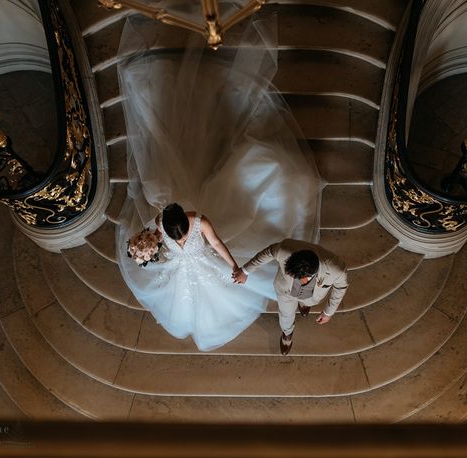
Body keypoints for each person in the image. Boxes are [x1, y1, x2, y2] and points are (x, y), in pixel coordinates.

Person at [115, 8, 322, 350]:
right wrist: (147, 250)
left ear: (178, 218)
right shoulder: (172, 223)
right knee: (189, 296)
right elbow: (184, 238)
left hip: (199, 262)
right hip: (189, 268)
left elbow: (217, 244)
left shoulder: (189, 221)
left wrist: (235, 267)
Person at [233, 239, 348, 355]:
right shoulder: (284, 249)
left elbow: (341, 287)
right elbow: (268, 252)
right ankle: (287, 334)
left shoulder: (336, 269)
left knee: (308, 302)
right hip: (285, 291)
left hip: (312, 296)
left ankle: (304, 304)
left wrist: (328, 312)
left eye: (302, 279)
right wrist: (245, 271)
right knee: (285, 314)